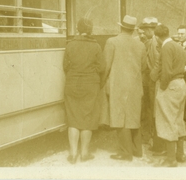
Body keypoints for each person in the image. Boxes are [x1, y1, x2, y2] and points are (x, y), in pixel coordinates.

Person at [103, 15, 147, 161]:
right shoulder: (140, 45)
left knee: (120, 117)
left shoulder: (112, 42)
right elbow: (144, 66)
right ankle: (137, 150)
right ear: (133, 30)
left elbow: (106, 66)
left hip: (118, 85)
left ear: (121, 27)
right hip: (135, 85)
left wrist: (102, 83)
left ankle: (125, 152)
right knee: (133, 116)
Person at [63, 18, 106, 164]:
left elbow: (65, 66)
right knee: (88, 118)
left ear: (78, 29)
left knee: (73, 118)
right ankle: (85, 153)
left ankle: (73, 154)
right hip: (90, 85)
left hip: (72, 84)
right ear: (90, 30)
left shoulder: (70, 45)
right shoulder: (96, 46)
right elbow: (101, 68)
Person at [151, 24, 186, 167]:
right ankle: (180, 154)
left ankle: (170, 159)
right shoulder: (178, 45)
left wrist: (162, 87)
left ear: (158, 37)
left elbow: (166, 71)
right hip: (181, 84)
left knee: (168, 120)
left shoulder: (166, 47)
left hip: (170, 85)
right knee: (178, 119)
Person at [138, 17, 165, 153]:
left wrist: (152, 77)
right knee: (149, 108)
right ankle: (149, 136)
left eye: (145, 29)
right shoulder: (150, 41)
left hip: (152, 80)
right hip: (150, 79)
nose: (143, 32)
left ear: (151, 30)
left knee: (152, 108)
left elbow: (157, 62)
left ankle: (153, 137)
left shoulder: (154, 42)